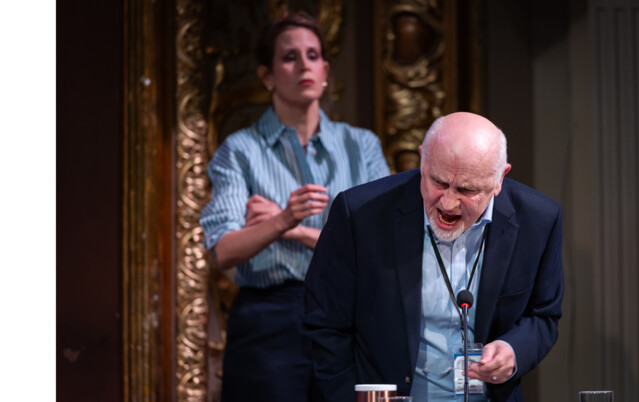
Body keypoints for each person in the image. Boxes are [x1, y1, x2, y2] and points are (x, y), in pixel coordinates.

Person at [302, 112, 564, 402]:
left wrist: (514, 351)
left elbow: (544, 315)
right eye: (438, 182)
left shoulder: (539, 220)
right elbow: (324, 323)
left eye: (466, 189)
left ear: (500, 178)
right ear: (422, 161)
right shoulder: (360, 213)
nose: (448, 203)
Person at [199, 12, 390, 402]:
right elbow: (224, 249)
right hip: (270, 319)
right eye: (289, 57)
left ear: (325, 70)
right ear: (267, 76)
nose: (304, 65)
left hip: (347, 313)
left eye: (313, 55)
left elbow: (380, 248)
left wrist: (292, 229)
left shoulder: (362, 146)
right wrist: (284, 218)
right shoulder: (240, 150)